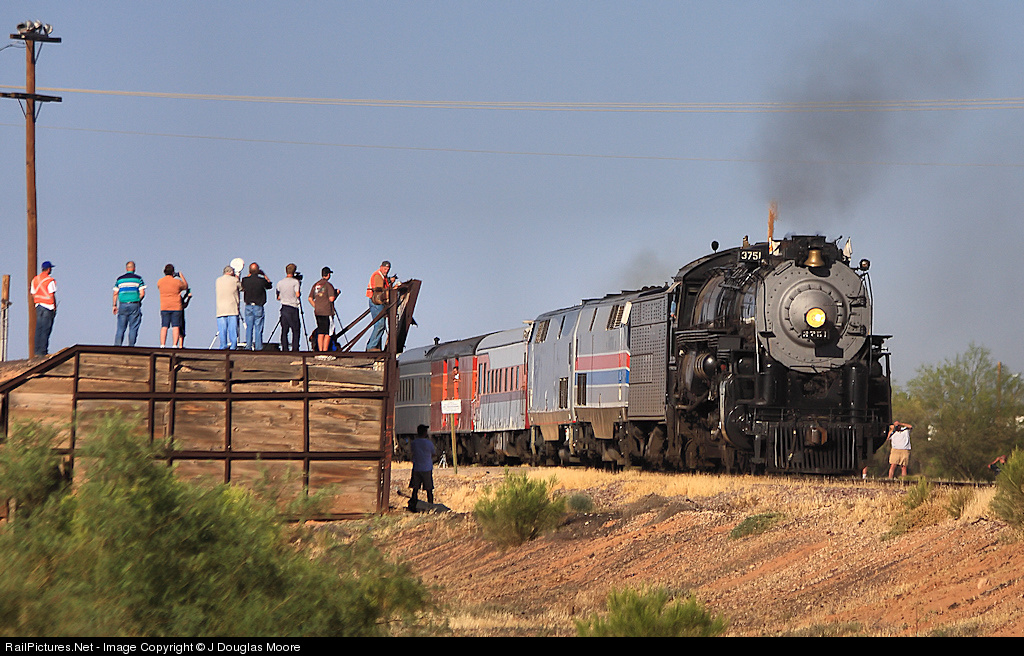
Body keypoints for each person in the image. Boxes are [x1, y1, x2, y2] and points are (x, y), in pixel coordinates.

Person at [113, 261, 146, 347]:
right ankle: (131, 346)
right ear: (134, 268)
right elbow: (142, 293)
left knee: (120, 328)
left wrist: (114, 305)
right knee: (133, 327)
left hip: (123, 304)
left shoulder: (120, 279)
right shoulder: (138, 279)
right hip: (134, 304)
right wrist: (138, 300)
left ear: (126, 268)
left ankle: (117, 346)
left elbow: (115, 293)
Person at [241, 262, 272, 351]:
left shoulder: (245, 280)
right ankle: (258, 347)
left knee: (249, 328)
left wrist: (250, 274)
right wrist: (264, 275)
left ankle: (248, 346)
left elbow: (243, 286)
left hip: (248, 306)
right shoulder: (261, 280)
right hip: (258, 306)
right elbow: (269, 285)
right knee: (258, 328)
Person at [366, 260, 396, 351]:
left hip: (378, 302)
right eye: (385, 269)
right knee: (380, 324)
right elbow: (380, 289)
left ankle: (374, 346)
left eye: (388, 269)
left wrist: (389, 281)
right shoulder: (378, 276)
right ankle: (371, 347)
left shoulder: (382, 277)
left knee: (380, 325)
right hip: (376, 302)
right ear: (381, 267)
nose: (386, 271)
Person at [157, 264, 188, 348]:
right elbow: (185, 286)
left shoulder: (160, 282)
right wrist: (181, 276)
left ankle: (162, 344)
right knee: (175, 326)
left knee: (164, 326)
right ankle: (174, 345)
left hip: (164, 306)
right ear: (173, 272)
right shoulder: (177, 282)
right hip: (176, 306)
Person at [30, 260, 57, 357]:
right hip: (48, 307)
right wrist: (54, 307)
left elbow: (33, 293)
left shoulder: (35, 280)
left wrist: (38, 302)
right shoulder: (50, 280)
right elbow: (52, 295)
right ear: (49, 269)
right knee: (46, 329)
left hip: (38, 306)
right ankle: (42, 351)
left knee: (39, 329)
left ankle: (37, 351)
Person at [308, 267, 337, 352]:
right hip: (327, 311)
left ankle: (320, 351)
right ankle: (325, 351)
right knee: (328, 332)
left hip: (318, 312)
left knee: (321, 332)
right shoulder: (328, 285)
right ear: (328, 275)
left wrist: (316, 306)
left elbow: (310, 298)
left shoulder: (316, 285)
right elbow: (331, 298)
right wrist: (336, 294)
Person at [408, 424, 436, 512]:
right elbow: (434, 453)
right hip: (427, 468)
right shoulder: (429, 443)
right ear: (424, 433)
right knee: (429, 489)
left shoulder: (414, 443)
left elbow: (412, 452)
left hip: (417, 468)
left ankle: (414, 505)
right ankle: (431, 505)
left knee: (415, 488)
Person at [276, 263, 302, 352]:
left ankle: (285, 348)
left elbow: (278, 297)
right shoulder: (295, 282)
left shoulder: (280, 283)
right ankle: (295, 348)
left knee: (284, 330)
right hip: (293, 307)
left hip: (284, 307)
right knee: (296, 329)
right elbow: (297, 294)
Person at [216, 264, 242, 349]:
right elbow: (241, 288)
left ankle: (223, 345)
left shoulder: (218, 280)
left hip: (221, 309)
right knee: (232, 329)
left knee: (222, 330)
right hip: (232, 308)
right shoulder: (234, 280)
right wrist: (237, 277)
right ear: (231, 272)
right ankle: (233, 346)